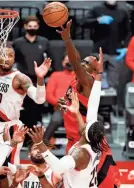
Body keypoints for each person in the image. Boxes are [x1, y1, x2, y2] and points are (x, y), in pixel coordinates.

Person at [56, 20, 121, 188]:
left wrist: (67, 39)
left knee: (106, 183)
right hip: (73, 140)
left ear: (93, 71)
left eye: (87, 63)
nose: (82, 64)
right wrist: (65, 102)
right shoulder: (76, 81)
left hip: (88, 142)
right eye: (83, 61)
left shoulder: (88, 81)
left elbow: (75, 61)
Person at [28, 52, 108, 187]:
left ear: (83, 132)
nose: (83, 124)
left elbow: (58, 168)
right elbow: (93, 106)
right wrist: (76, 112)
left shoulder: (81, 153)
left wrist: (41, 144)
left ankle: (47, 142)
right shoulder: (93, 147)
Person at [13, 15, 52, 131]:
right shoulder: (18, 43)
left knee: (36, 108)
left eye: (35, 26)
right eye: (30, 26)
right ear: (25, 26)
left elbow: (50, 60)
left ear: (38, 27)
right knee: (21, 108)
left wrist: (48, 77)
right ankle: (22, 136)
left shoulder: (44, 42)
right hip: (22, 80)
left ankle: (32, 138)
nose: (32, 28)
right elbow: (13, 61)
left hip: (38, 80)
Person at [44, 54, 75, 140]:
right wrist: (60, 102)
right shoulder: (56, 75)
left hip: (78, 108)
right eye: (67, 60)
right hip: (61, 108)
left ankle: (99, 149)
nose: (69, 62)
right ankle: (41, 147)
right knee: (55, 120)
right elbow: (48, 95)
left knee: (97, 119)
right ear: (62, 63)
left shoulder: (81, 76)